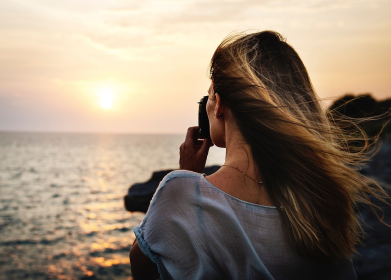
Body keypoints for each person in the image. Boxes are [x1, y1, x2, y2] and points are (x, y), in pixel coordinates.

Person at [129, 30, 389, 280]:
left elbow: (143, 267)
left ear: (219, 104)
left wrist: (187, 175)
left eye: (209, 96)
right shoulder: (322, 198)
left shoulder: (180, 190)